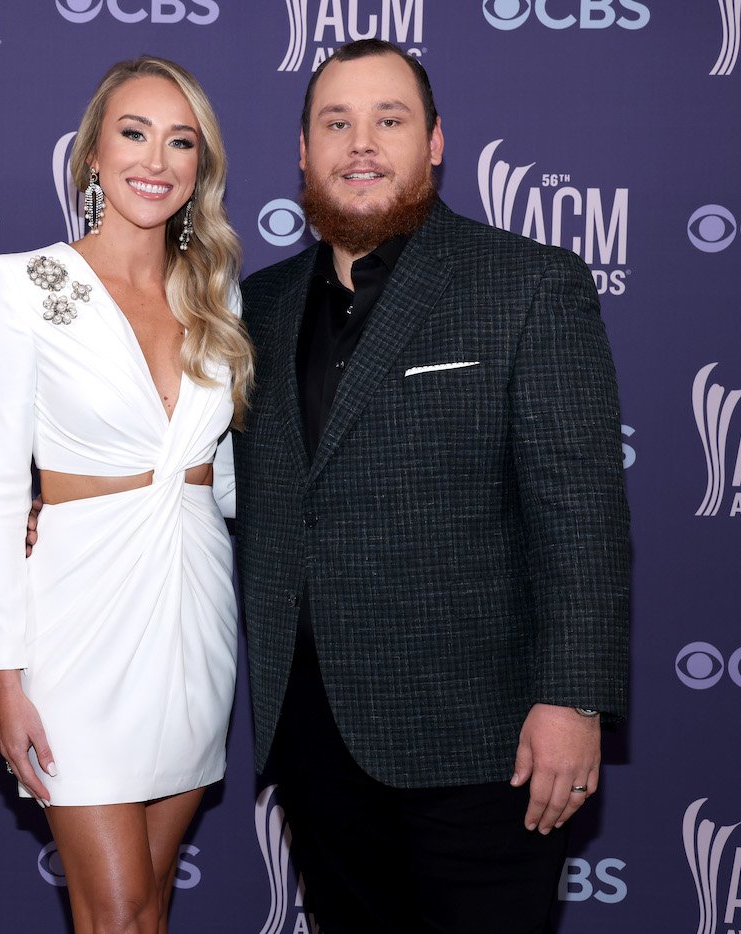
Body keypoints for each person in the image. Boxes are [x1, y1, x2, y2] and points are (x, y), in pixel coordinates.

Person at [233, 40, 631, 933]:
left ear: (437, 142)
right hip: (313, 730)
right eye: (336, 123)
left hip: (485, 741)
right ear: (303, 151)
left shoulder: (527, 284)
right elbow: (216, 479)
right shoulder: (257, 306)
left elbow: (582, 512)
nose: (361, 143)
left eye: (390, 120)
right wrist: (61, 506)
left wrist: (573, 698)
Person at [0, 56, 252, 934]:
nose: (155, 160)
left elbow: (227, 483)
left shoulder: (216, 293)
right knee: (118, 913)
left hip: (193, 617)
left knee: (149, 906)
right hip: (78, 627)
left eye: (181, 141)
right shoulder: (22, 285)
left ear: (200, 167)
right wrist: (5, 680)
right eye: (134, 133)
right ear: (93, 152)